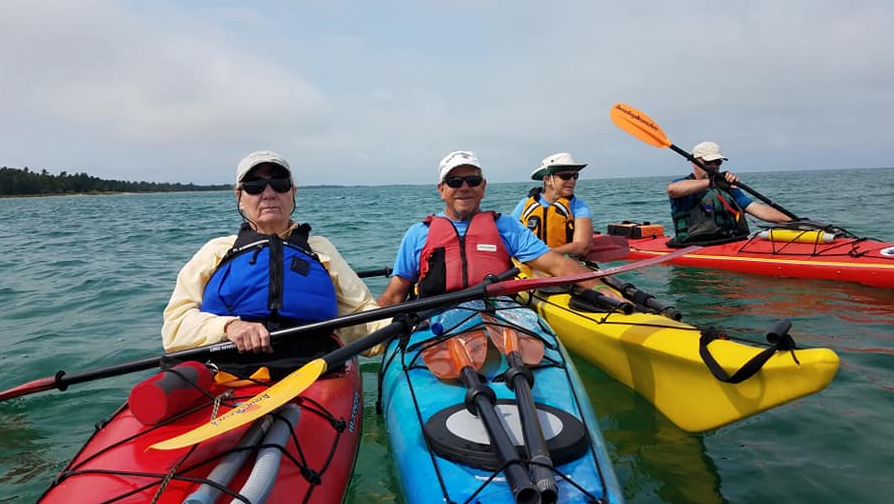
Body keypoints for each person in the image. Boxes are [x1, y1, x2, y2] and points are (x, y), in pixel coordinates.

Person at [162, 150, 385, 378]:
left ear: (293, 192)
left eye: (279, 183)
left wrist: (405, 328)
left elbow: (362, 315)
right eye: (255, 185)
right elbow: (175, 327)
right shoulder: (216, 251)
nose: (268, 193)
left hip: (309, 369)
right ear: (239, 197)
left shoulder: (320, 249)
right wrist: (229, 327)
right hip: (222, 369)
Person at [377, 150, 601, 306]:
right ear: (441, 189)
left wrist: (604, 291)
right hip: (436, 322)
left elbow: (559, 265)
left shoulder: (506, 227)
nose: (464, 188)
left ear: (483, 187)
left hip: (499, 318)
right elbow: (395, 296)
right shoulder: (418, 234)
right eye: (454, 182)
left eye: (472, 181)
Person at [666, 141, 791, 244]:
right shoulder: (683, 184)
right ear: (694, 162)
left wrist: (793, 221)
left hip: (732, 241)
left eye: (718, 162)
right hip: (695, 244)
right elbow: (673, 190)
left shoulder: (726, 187)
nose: (714, 166)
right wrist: (712, 182)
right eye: (708, 162)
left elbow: (758, 210)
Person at [512, 152, 593, 258]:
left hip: (563, 263)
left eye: (575, 176)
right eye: (566, 176)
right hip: (529, 262)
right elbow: (510, 236)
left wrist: (542, 254)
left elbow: (581, 247)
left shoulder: (579, 207)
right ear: (547, 179)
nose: (572, 180)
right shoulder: (525, 204)